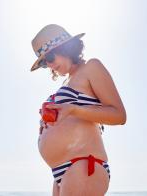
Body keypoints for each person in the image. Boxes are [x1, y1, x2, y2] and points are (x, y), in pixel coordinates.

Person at [30, 24, 126, 196]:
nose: (50, 65)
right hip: (61, 171)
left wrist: (73, 110)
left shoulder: (91, 67)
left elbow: (119, 115)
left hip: (83, 164)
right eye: (45, 63)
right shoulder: (66, 82)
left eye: (50, 57)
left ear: (66, 48)